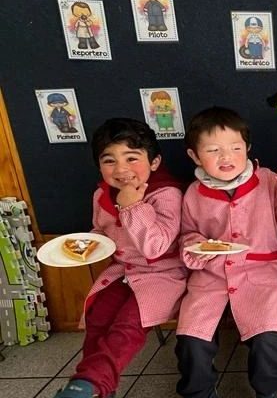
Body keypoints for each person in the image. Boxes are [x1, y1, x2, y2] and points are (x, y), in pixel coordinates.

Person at [174, 107, 277, 398]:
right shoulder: (194, 194)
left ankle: (268, 392)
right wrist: (200, 246)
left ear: (247, 148)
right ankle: (200, 393)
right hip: (209, 279)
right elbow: (187, 235)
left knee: (267, 338)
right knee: (191, 341)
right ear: (195, 156)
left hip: (261, 276)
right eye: (213, 150)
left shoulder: (269, 181)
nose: (226, 157)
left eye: (235, 148)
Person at [54, 118, 186, 398]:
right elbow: (100, 231)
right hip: (122, 271)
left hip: (163, 275)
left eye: (131, 158)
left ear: (154, 162)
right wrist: (85, 245)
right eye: (109, 160)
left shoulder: (166, 194)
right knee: (97, 318)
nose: (121, 169)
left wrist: (132, 206)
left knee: (126, 327)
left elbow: (156, 247)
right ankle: (100, 388)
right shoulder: (101, 194)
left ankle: (87, 385)